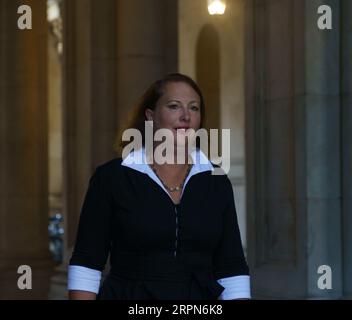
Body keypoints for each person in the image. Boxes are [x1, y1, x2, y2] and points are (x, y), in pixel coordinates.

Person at [67, 73, 250, 300]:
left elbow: (231, 266)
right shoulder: (112, 178)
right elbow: (87, 261)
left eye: (194, 108)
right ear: (150, 116)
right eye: (174, 106)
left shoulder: (216, 180)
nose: (185, 116)